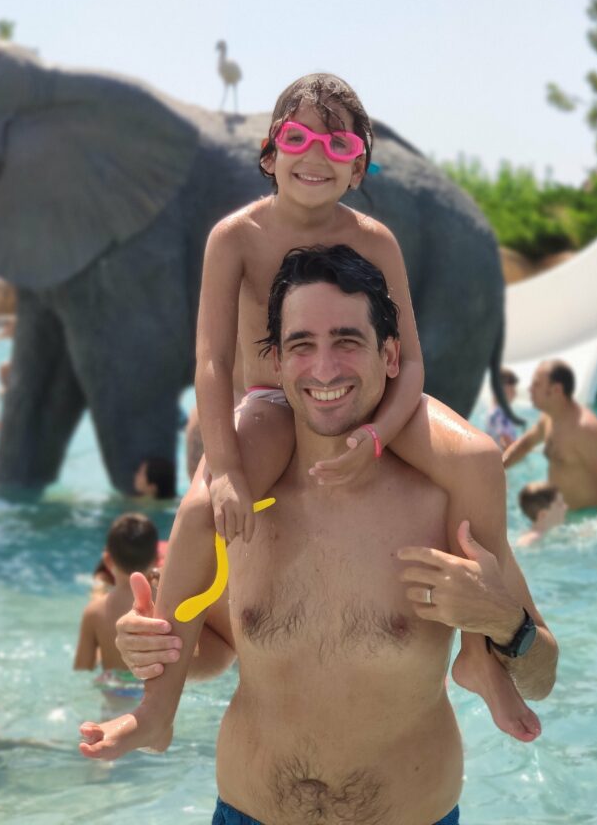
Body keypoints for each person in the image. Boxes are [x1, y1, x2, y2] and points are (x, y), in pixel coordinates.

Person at [97, 73, 529, 742]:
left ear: (359, 167)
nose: (316, 155)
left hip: (378, 397)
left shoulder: (375, 241)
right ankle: (157, 709)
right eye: (298, 138)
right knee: (201, 508)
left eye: (338, 144)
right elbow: (211, 362)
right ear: (270, 153)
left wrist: (379, 435)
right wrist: (227, 469)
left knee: (475, 457)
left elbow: (411, 363)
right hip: (276, 399)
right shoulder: (236, 237)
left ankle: (479, 656)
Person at [79, 245, 558, 824]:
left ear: (389, 355)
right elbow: (218, 648)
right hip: (247, 812)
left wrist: (504, 623)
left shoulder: (443, 502)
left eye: (347, 341)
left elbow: (542, 678)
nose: (324, 369)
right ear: (277, 363)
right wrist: (152, 647)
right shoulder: (243, 501)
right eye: (302, 345)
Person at [503, 360, 597, 516]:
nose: (530, 389)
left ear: (556, 389)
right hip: (559, 514)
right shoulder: (549, 418)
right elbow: (525, 445)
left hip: (584, 518)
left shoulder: (584, 429)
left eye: (536, 384)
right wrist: (495, 469)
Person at [74, 513, 160, 695]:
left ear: (107, 560)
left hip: (115, 690)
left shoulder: (94, 611)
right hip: (155, 689)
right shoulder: (164, 603)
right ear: (156, 558)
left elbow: (83, 668)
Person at [515, 481, 567, 548]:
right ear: (543, 514)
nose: (565, 507)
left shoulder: (551, 532)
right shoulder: (531, 540)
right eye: (560, 505)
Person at [486, 367, 520, 449]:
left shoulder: (493, 411)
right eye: (511, 385)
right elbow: (507, 443)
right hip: (504, 456)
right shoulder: (500, 414)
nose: (514, 391)